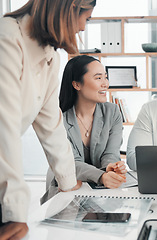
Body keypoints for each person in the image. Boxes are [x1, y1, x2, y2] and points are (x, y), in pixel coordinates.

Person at [0, 0, 96, 239]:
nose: (83, 28)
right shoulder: (7, 38)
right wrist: (15, 212)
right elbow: (4, 127)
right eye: (87, 18)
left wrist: (69, 183)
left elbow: (51, 126)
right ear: (72, 6)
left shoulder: (51, 57)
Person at [43, 55, 127, 203]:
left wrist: (111, 167)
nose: (105, 84)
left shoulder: (112, 112)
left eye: (105, 77)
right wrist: (101, 177)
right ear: (77, 85)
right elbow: (69, 163)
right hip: (66, 186)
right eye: (98, 78)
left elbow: (111, 153)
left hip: (99, 189)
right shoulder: (58, 118)